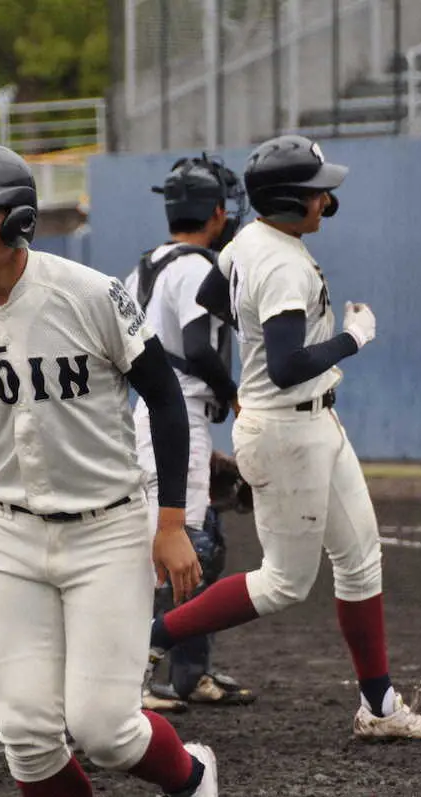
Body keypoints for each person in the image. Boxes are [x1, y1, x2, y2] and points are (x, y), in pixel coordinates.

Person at [0, 140, 219, 797]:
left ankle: (193, 777)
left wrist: (172, 521)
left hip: (108, 529)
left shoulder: (90, 294)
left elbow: (163, 393)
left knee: (105, 729)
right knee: (29, 740)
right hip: (13, 538)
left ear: (18, 220)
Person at [146, 134, 421, 741]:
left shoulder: (252, 240)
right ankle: (148, 643)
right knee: (285, 582)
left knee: (361, 560)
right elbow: (288, 365)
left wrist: (259, 340)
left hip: (311, 422)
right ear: (292, 199)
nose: (326, 198)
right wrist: (354, 338)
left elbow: (216, 296)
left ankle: (380, 707)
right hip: (288, 427)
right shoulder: (282, 260)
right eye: (317, 190)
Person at [124, 154, 256, 711]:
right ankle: (132, 679)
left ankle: (191, 675)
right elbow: (199, 348)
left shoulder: (143, 268)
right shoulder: (201, 266)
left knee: (204, 548)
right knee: (185, 547)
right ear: (218, 212)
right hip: (176, 417)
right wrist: (231, 393)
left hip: (157, 415)